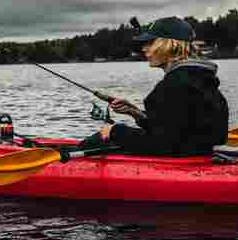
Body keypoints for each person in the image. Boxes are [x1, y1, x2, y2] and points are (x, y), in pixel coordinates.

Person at [83, 16, 229, 156]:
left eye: (150, 43)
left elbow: (164, 144)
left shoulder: (173, 86)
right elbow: (180, 132)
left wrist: (115, 131)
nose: (144, 49)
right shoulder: (201, 80)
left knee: (107, 132)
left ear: (169, 45)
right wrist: (137, 114)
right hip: (200, 157)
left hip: (181, 165)